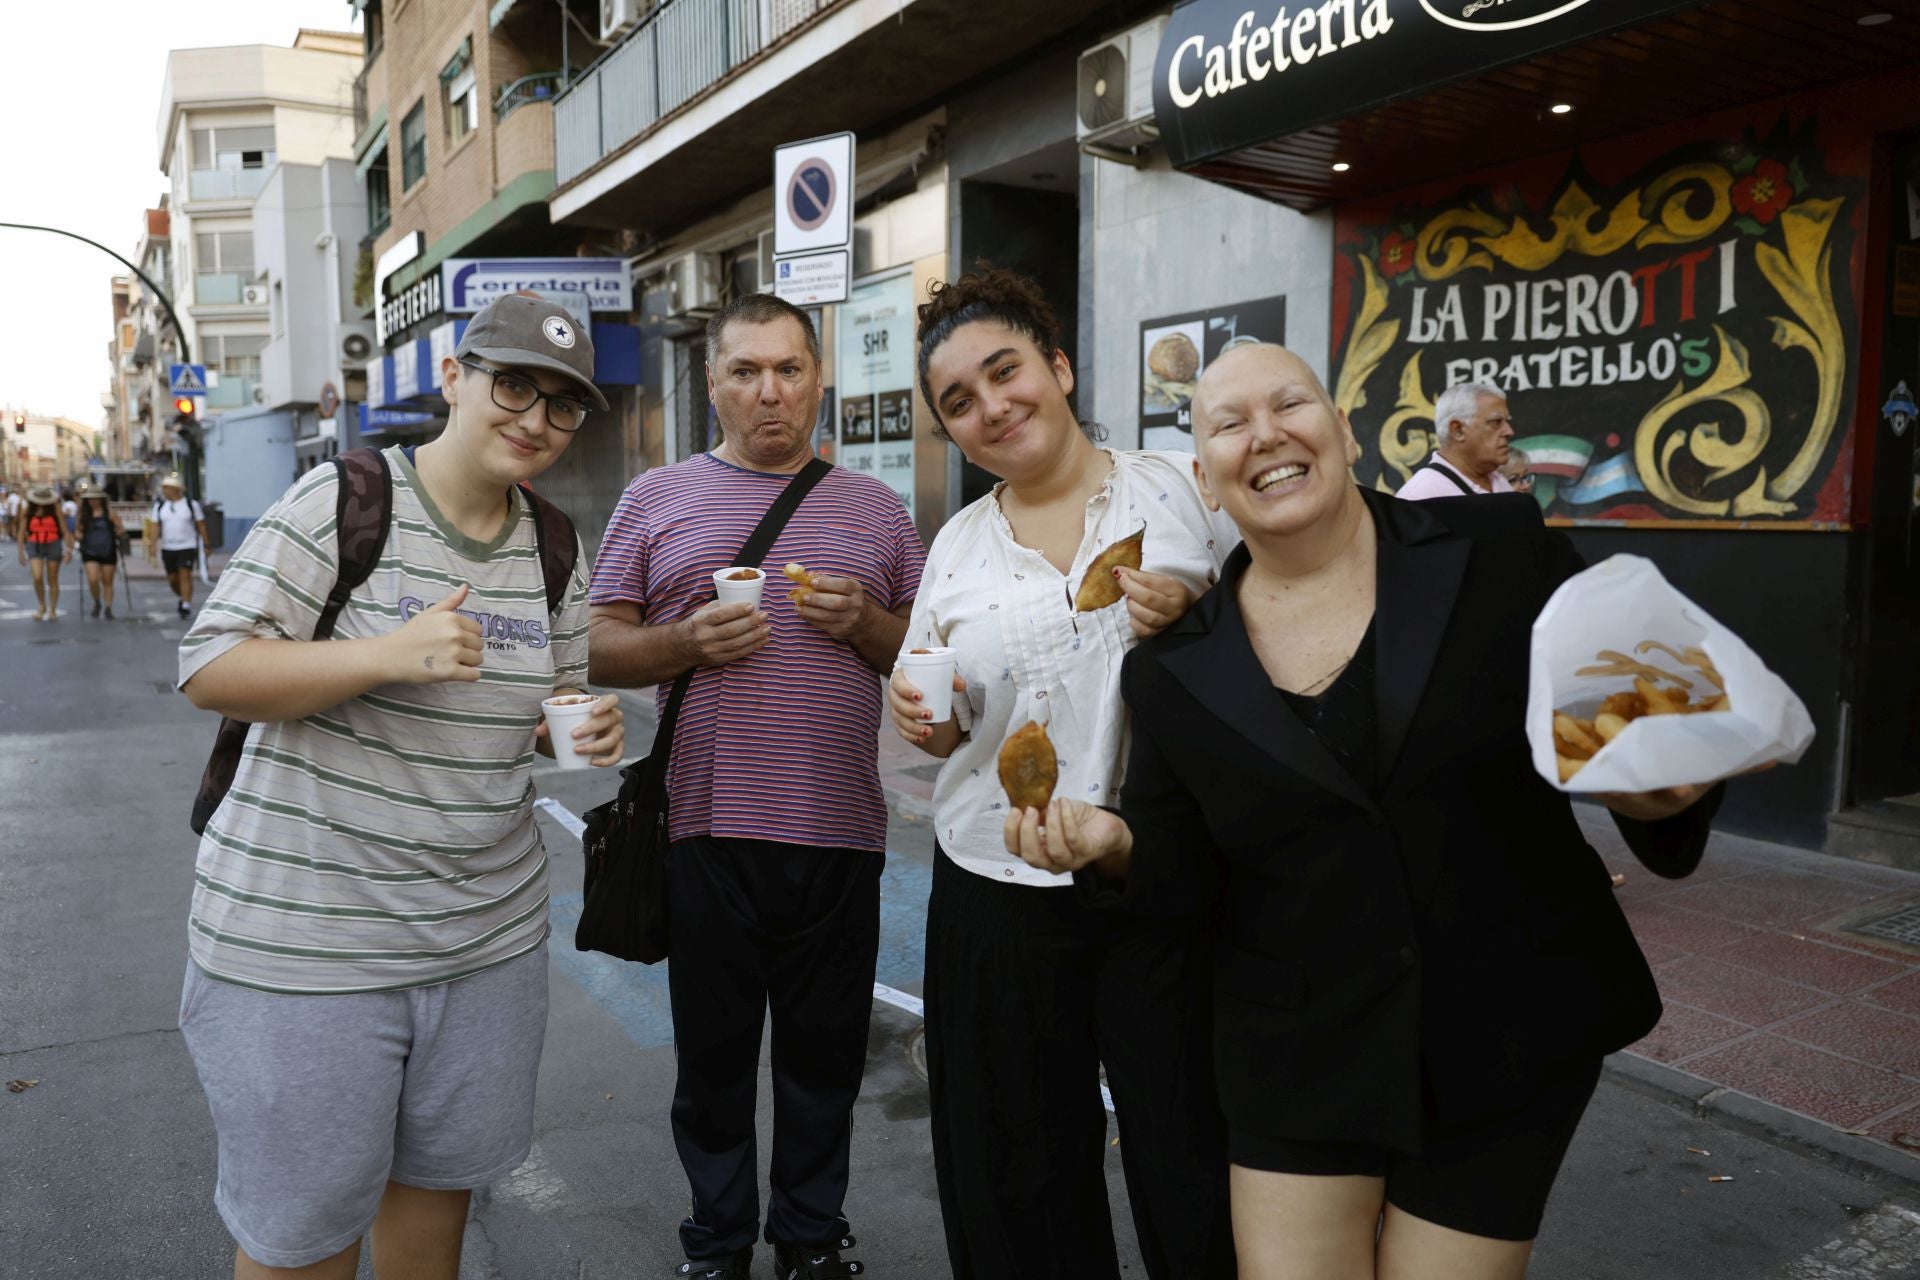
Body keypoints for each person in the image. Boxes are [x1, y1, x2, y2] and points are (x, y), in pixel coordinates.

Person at [1007, 343, 1738, 1280]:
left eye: (1289, 404)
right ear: (1206, 479)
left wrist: (1664, 788)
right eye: (1229, 423)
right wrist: (1113, 848)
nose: (1265, 434)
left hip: (1505, 1031)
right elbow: (1187, 878)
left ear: (1344, 430)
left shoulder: (1504, 552)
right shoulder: (1173, 668)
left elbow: (1653, 726)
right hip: (1297, 1047)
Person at [175, 293, 625, 1280]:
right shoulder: (341, 499)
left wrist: (584, 723)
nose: (535, 419)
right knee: (302, 1244)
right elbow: (210, 665)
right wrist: (385, 654)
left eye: (563, 404)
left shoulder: (554, 546)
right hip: (309, 944)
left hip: (484, 944)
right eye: (514, 384)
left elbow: (555, 695)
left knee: (432, 1221)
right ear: (454, 378)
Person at [883, 267, 1238, 1279]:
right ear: (950, 431)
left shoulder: (1182, 489)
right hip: (995, 890)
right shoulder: (953, 548)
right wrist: (925, 712)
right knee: (1015, 1183)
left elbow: (1284, 638)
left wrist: (1200, 624)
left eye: (1006, 371)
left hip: (1161, 877)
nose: (993, 406)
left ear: (1061, 366)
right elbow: (939, 712)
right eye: (960, 401)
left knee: (1195, 1162)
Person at [587, 293, 924, 1280]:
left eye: (788, 368)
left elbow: (928, 652)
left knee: (823, 1061)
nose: (769, 390)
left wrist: (866, 623)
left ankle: (812, 1239)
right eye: (746, 371)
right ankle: (719, 1243)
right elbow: (599, 644)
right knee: (716, 1063)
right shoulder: (656, 497)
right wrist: (682, 640)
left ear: (819, 378)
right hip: (702, 825)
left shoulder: (876, 508)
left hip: (840, 826)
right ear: (714, 383)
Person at [1395, 381, 1516, 499]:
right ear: (1458, 430)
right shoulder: (1419, 497)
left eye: (1506, 421)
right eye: (1496, 422)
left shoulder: (1500, 483)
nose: (1509, 431)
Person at [149, 472, 210, 616]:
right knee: (173, 579)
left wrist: (207, 545)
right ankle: (183, 596)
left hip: (187, 546)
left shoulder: (190, 505)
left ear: (177, 489)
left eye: (167, 488)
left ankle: (186, 604)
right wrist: (152, 544)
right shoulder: (160, 506)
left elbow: (201, 525)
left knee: (184, 575)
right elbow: (155, 526)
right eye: (163, 488)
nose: (164, 491)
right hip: (168, 548)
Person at [17, 484, 72, 621]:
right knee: (37, 576)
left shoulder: (55, 509)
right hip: (34, 544)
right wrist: (21, 552)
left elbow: (65, 530)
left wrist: (68, 550)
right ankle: (42, 605)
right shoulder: (28, 510)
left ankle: (53, 608)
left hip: (53, 544)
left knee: (52, 578)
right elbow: (21, 532)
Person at [76, 484, 125, 619]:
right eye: (90, 499)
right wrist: (78, 535)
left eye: (95, 498)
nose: (92, 501)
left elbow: (121, 529)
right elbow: (78, 530)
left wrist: (118, 532)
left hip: (108, 550)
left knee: (107, 580)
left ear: (101, 499)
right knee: (93, 579)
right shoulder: (83, 514)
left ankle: (108, 607)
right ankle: (97, 600)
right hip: (90, 550)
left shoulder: (110, 513)